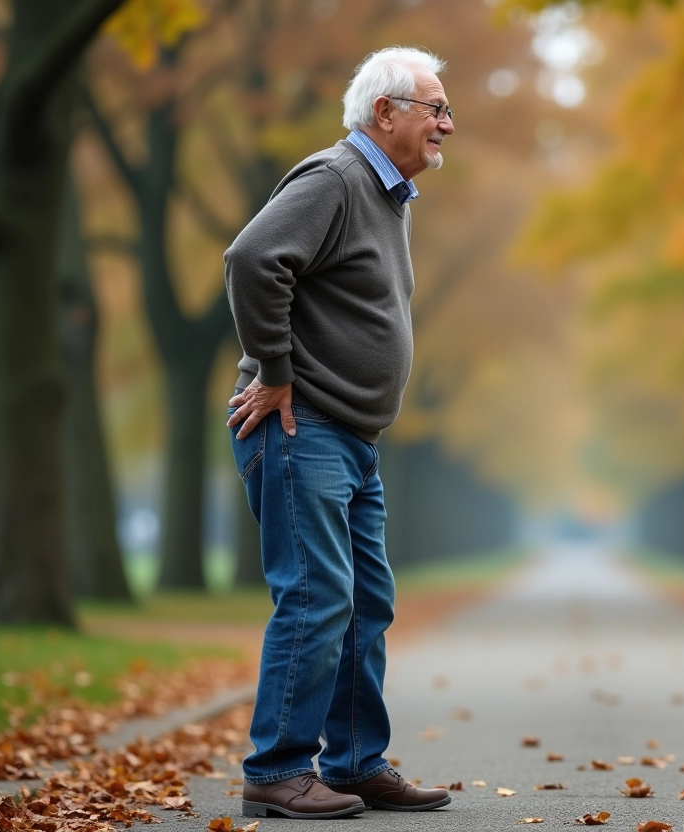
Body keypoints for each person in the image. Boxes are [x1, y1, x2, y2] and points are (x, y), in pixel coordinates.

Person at [223, 46, 455, 820]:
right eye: (435, 109)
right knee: (318, 598)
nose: (447, 125)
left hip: (350, 436)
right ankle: (277, 770)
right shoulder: (336, 179)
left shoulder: (386, 195)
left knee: (365, 604)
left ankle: (354, 762)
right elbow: (253, 258)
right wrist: (277, 370)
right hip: (302, 424)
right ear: (383, 112)